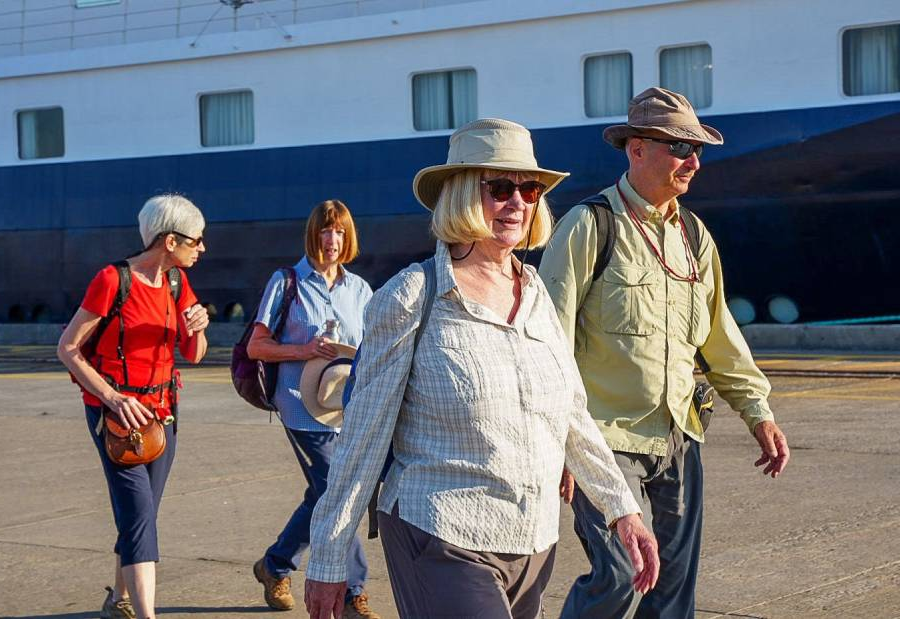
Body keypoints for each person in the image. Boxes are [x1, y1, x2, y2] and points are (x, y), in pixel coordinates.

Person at [304, 118, 661, 619]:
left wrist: (623, 509)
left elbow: (572, 416)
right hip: (441, 531)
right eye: (499, 188)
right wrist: (328, 557)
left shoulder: (535, 293)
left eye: (529, 189)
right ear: (461, 196)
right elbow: (363, 437)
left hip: (533, 541)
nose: (517, 202)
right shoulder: (413, 296)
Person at [538, 87, 791, 619]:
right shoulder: (589, 226)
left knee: (673, 589)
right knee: (622, 574)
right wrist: (559, 444)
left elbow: (720, 336)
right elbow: (548, 344)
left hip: (679, 434)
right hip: (605, 440)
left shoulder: (694, 236)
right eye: (680, 148)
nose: (693, 161)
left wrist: (758, 412)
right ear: (637, 149)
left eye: (696, 150)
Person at [57, 194, 209, 619]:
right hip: (117, 416)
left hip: (163, 413)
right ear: (170, 241)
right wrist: (113, 398)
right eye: (196, 240)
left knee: (142, 513)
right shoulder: (112, 280)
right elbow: (67, 348)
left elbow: (194, 354)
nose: (202, 247)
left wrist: (199, 328)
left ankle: (117, 600)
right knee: (139, 513)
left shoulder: (177, 282)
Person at [247, 200, 379, 618]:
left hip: (343, 407)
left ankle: (275, 564)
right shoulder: (287, 282)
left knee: (323, 492)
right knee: (339, 491)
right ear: (313, 234)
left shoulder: (359, 290)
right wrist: (303, 350)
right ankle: (353, 593)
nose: (332, 239)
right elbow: (256, 346)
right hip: (300, 405)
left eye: (339, 231)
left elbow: (371, 347)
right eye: (325, 230)